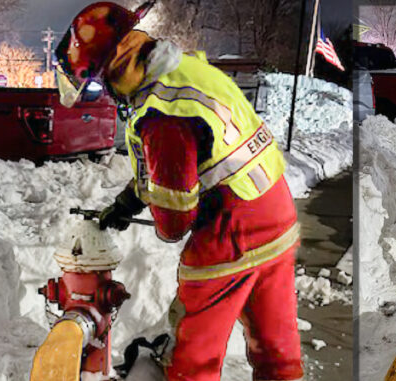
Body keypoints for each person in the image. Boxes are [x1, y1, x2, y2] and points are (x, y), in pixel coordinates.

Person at [55, 2, 303, 380]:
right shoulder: (187, 71)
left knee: (194, 355)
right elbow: (183, 160)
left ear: (114, 67)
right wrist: (128, 201)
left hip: (229, 234)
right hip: (276, 216)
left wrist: (162, 211)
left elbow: (174, 220)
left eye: (99, 81)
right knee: (275, 346)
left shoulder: (162, 115)